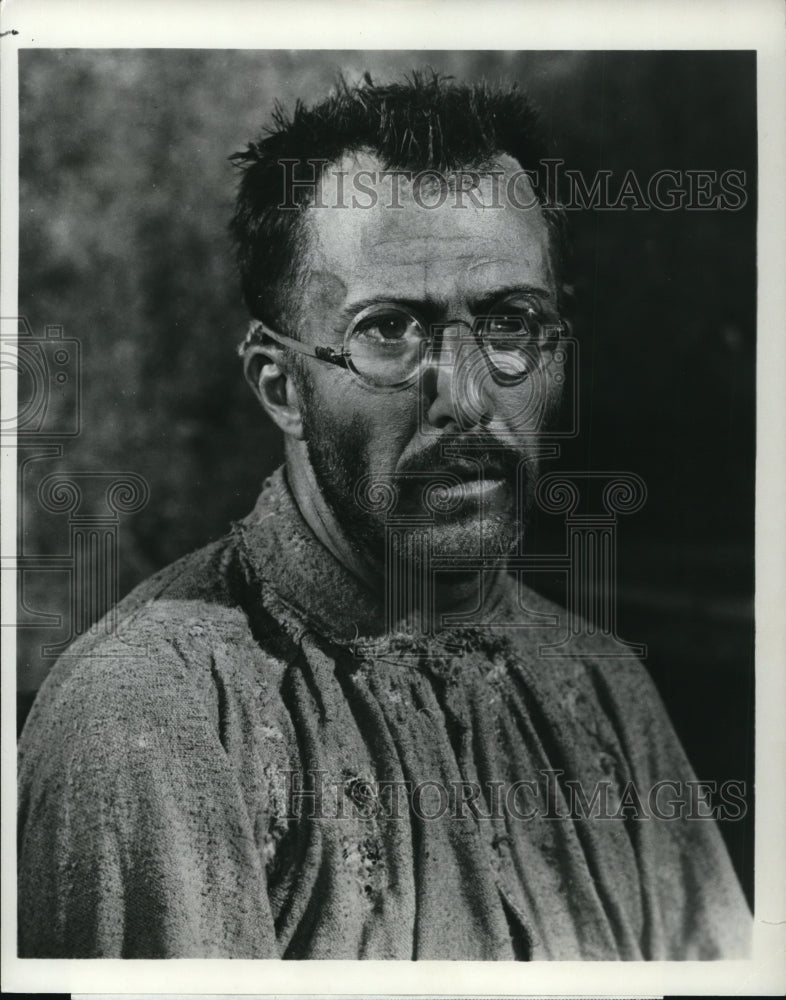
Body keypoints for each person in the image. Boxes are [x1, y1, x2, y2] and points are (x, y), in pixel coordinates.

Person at [17, 72, 750, 960]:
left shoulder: (602, 687)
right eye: (391, 331)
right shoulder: (152, 722)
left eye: (512, 321)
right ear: (280, 386)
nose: (467, 400)